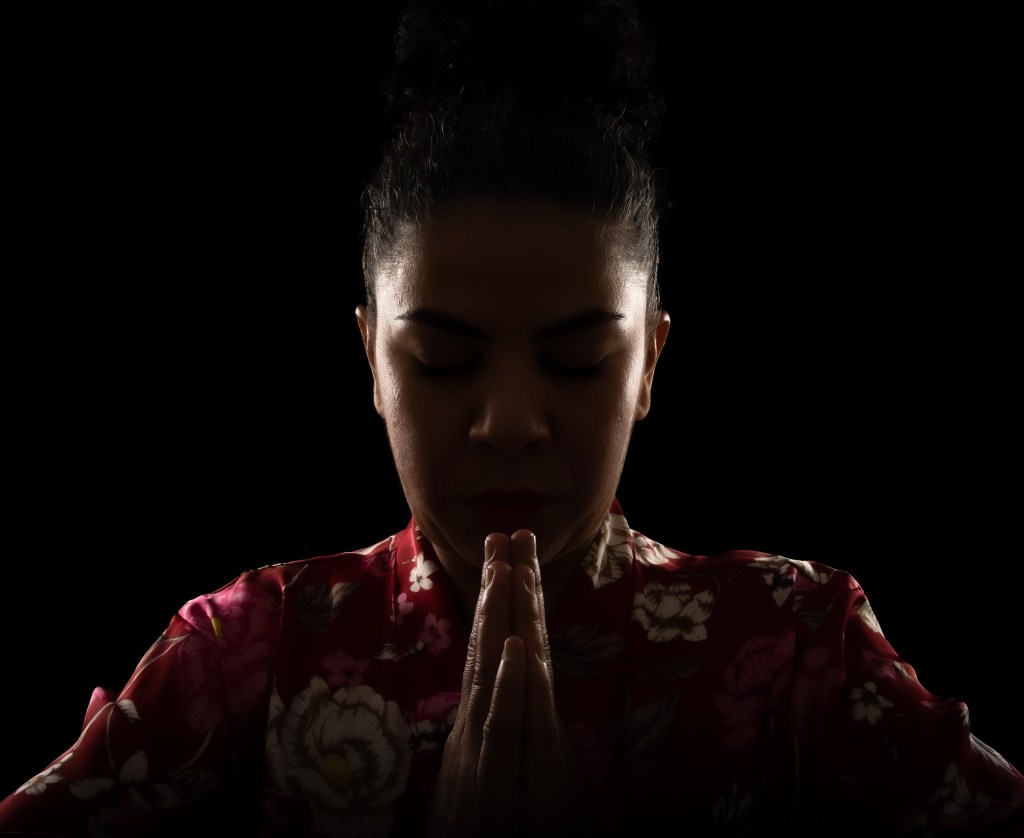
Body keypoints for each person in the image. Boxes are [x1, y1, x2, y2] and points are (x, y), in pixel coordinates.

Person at [2, 0, 1022, 835]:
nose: (508, 422)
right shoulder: (246, 651)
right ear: (371, 357)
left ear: (649, 361)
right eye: (443, 360)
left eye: (576, 360)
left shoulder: (799, 644)